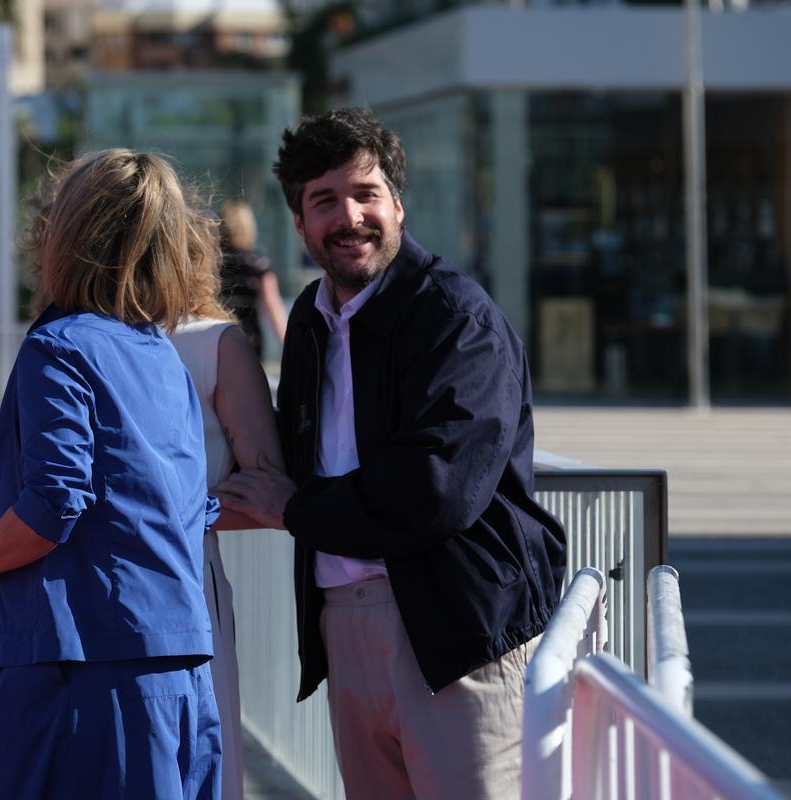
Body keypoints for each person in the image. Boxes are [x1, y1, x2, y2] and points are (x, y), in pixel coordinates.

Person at [217, 107, 568, 799]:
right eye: (325, 201)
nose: (349, 216)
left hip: (456, 629)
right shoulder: (312, 325)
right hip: (344, 622)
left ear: (398, 205)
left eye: (365, 193)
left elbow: (437, 489)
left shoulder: (456, 316)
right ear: (300, 225)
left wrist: (297, 510)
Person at [0, 149, 222, 799]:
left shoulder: (61, 347)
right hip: (175, 673)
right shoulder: (162, 356)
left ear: (66, 234)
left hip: (75, 671)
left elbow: (54, 500)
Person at [169, 245, 286, 800]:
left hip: (189, 587)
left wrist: (175, 516)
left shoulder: (212, 343)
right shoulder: (71, 336)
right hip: (86, 600)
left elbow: (270, 495)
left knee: (198, 767)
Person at [218, 200, 287, 358]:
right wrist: (290, 345)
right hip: (248, 340)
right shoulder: (258, 264)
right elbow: (273, 307)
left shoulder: (211, 262)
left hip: (215, 338)